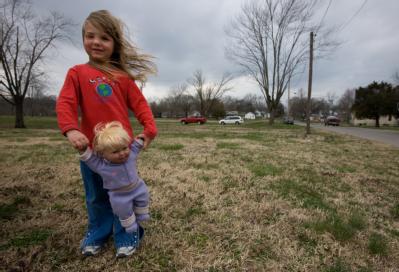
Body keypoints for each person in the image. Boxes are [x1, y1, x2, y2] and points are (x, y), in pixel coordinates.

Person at [56, 10, 157, 258]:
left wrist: (149, 129)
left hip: (120, 151)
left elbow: (141, 105)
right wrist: (70, 129)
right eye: (90, 36)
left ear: (114, 44)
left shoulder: (121, 77)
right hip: (91, 150)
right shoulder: (77, 73)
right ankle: (98, 231)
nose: (96, 42)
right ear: (83, 39)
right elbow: (65, 102)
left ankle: (127, 232)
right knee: (95, 195)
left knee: (124, 193)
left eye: (104, 38)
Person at [79, 121, 150, 234]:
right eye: (115, 152)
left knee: (144, 197)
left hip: (137, 187)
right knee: (122, 210)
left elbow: (136, 146)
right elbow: (90, 159)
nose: (122, 153)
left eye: (124, 148)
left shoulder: (130, 155)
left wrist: (141, 139)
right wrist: (83, 150)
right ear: (103, 154)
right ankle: (130, 225)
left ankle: (142, 213)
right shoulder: (102, 166)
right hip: (119, 195)